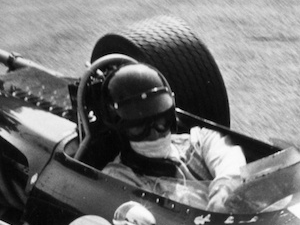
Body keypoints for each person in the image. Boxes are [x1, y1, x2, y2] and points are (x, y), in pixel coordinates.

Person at [101, 63, 244, 212]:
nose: (154, 134)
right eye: (139, 127)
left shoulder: (198, 141)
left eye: (160, 122)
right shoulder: (117, 178)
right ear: (121, 130)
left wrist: (224, 189)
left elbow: (229, 157)